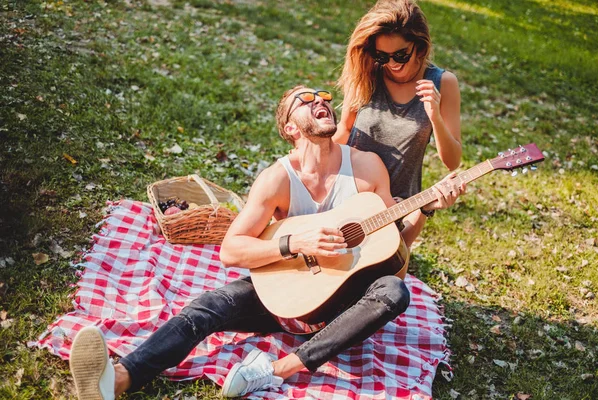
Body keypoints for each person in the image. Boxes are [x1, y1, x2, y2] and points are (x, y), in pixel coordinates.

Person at [68, 85, 465, 399]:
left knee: (394, 290)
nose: (320, 101)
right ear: (290, 128)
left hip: (346, 300)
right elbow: (231, 250)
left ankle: (275, 371)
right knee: (209, 305)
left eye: (323, 97)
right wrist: (295, 242)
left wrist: (425, 210)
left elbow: (395, 250)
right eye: (304, 100)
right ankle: (118, 379)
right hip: (289, 294)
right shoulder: (277, 180)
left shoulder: (366, 167)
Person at [334, 0, 462, 246]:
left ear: (420, 46)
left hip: (392, 211)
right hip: (344, 198)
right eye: (382, 56)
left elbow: (452, 161)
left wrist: (434, 115)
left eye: (401, 55)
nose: (392, 64)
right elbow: (345, 130)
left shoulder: (444, 83)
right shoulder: (367, 72)